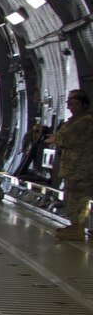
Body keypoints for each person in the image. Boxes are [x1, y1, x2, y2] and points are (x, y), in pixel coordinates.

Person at [49, 88, 93, 240]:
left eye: (76, 104)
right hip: (74, 168)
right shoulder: (76, 121)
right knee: (72, 197)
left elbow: (67, 138)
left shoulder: (85, 121)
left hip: (82, 168)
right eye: (70, 104)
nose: (72, 107)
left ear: (84, 105)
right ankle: (75, 226)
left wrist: (57, 138)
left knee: (79, 199)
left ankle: (78, 228)